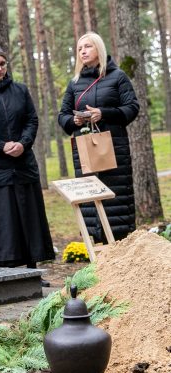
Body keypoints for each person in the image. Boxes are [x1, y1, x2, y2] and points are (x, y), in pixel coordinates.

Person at [0, 46, 55, 282]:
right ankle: (5, 275)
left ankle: (32, 270)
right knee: (3, 222)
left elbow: (31, 119)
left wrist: (23, 142)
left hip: (23, 163)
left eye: (2, 63)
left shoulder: (20, 90)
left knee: (28, 218)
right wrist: (1, 145)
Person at [58, 32, 139, 242]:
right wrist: (73, 121)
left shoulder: (118, 76)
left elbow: (132, 108)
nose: (83, 51)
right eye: (79, 48)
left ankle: (121, 243)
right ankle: (95, 244)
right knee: (89, 198)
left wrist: (104, 114)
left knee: (116, 197)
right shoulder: (74, 82)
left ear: (99, 49)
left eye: (88, 46)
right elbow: (62, 114)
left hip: (114, 147)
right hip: (84, 150)